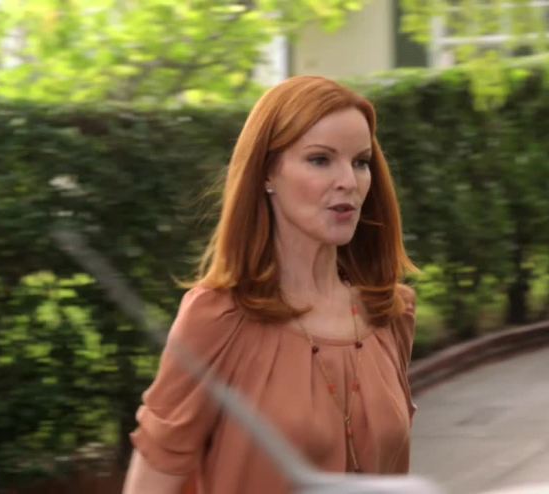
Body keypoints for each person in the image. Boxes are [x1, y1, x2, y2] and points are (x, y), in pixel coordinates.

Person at [122, 75, 418, 494]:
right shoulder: (217, 318)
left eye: (360, 162)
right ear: (266, 173)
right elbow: (152, 480)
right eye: (320, 160)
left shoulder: (391, 311)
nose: (349, 182)